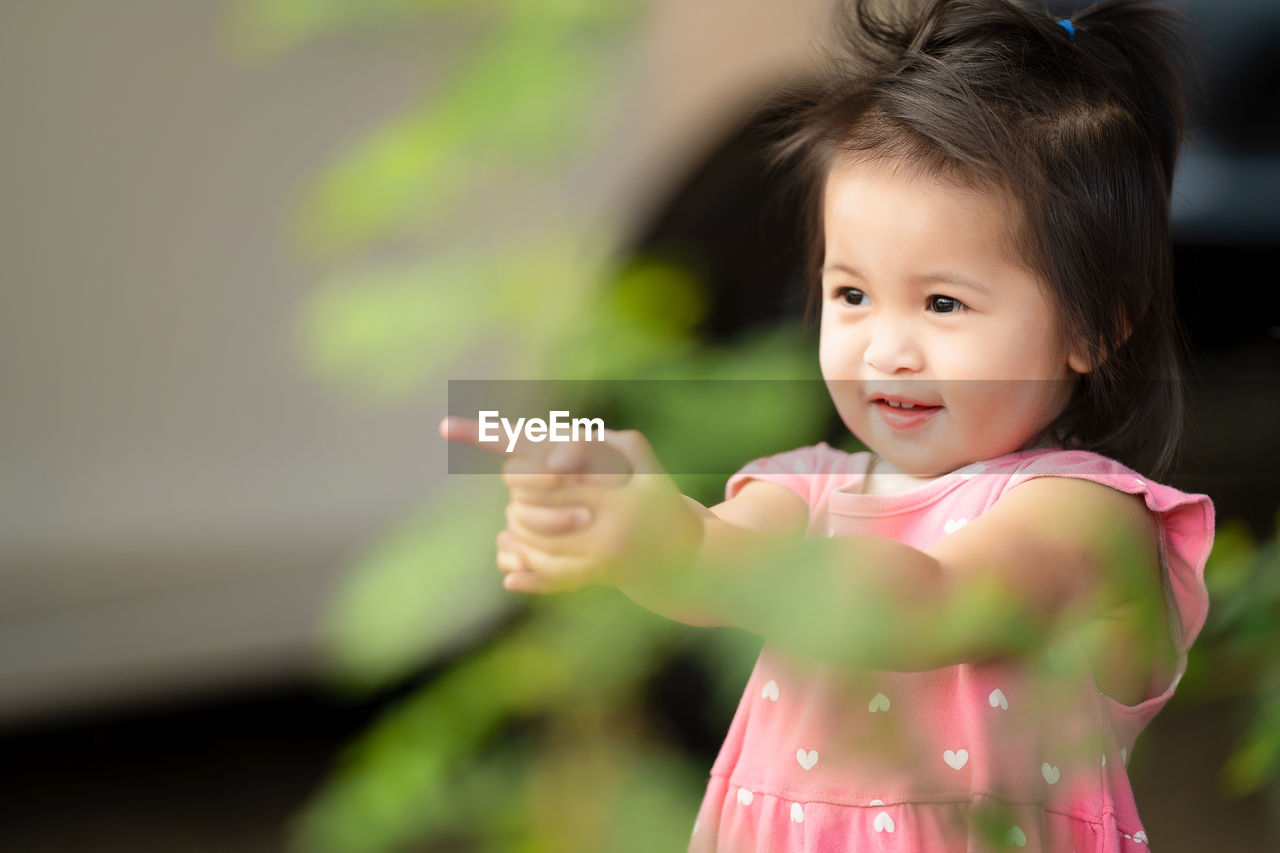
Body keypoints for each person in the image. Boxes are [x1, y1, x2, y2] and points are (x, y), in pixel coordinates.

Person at [442, 0, 1215, 849]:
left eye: (943, 302)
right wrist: (615, 515)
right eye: (851, 294)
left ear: (1093, 326)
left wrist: (676, 543)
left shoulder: (1081, 518)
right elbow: (705, 562)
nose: (885, 349)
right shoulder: (807, 487)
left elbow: (918, 599)